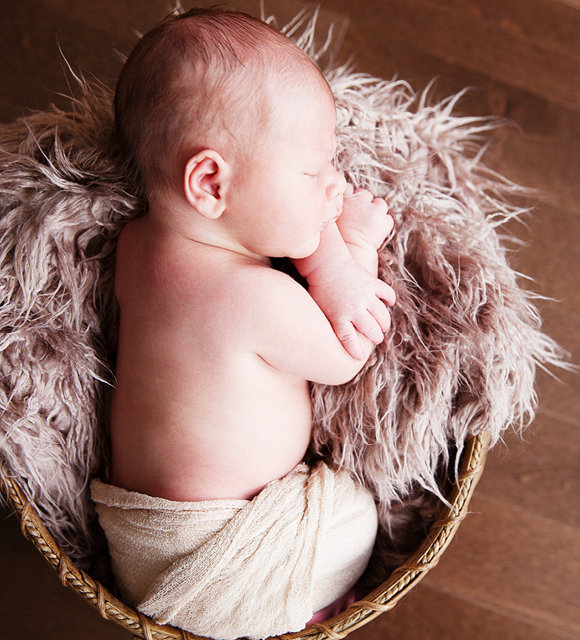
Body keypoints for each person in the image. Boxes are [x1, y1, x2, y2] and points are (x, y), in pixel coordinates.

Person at [91, 9, 395, 639]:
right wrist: (345, 256)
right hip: (222, 554)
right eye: (312, 173)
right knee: (355, 520)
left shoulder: (136, 245)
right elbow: (346, 355)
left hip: (145, 545)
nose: (334, 185)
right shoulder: (252, 297)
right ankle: (303, 609)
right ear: (209, 183)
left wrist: (307, 220)